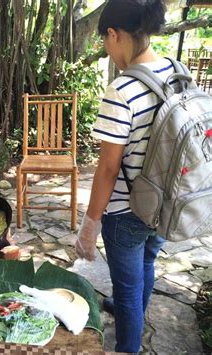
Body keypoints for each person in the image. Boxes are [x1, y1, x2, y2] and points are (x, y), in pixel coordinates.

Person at [74, 0, 174, 353]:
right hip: (167, 201)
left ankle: (128, 346)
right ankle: (134, 310)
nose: (106, 49)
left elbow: (107, 168)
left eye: (105, 40)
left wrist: (91, 225)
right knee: (147, 261)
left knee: (128, 292)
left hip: (128, 209)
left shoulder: (122, 90)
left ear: (114, 34)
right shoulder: (175, 71)